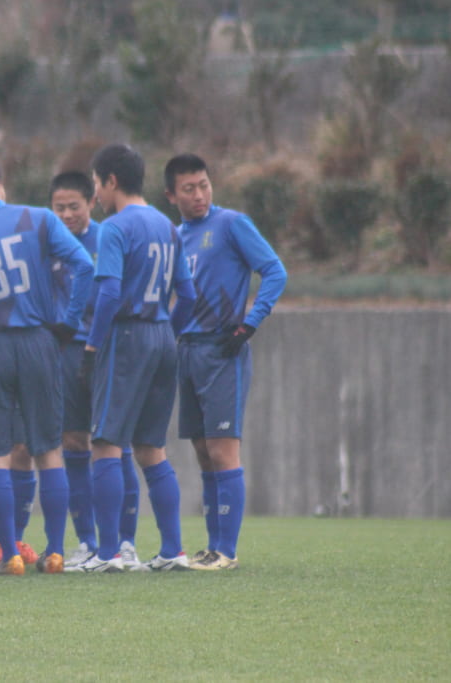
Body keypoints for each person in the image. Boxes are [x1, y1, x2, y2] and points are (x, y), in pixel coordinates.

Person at [0, 155, 94, 575]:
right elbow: (84, 265)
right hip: (38, 341)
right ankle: (54, 552)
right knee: (49, 449)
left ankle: (9, 553)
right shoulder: (40, 218)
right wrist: (68, 322)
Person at [68, 143, 196, 573]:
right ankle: (172, 550)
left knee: (104, 444)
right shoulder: (168, 226)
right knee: (151, 448)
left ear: (111, 181)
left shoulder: (114, 228)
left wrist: (91, 346)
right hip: (162, 335)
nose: (96, 196)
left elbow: (107, 292)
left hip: (126, 336)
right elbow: (189, 295)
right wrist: (166, 333)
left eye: (96, 185)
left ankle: (107, 555)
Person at [164, 153, 287, 571]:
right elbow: (181, 298)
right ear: (171, 196)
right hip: (188, 350)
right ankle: (213, 546)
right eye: (188, 188)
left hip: (223, 349)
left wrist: (250, 323)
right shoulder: (176, 236)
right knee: (201, 451)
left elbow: (274, 271)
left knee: (222, 450)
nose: (199, 195)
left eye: (204, 184)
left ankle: (227, 552)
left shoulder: (232, 224)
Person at [47, 171, 144, 570]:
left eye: (74, 206)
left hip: (105, 350)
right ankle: (86, 540)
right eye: (59, 208)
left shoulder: (107, 238)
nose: (67, 214)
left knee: (115, 443)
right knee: (73, 442)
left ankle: (124, 542)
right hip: (66, 355)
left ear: (91, 202)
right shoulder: (47, 242)